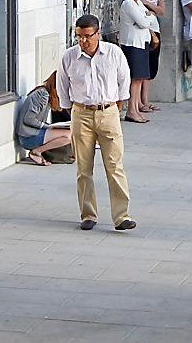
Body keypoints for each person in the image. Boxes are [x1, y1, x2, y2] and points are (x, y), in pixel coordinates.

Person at [56, 14, 136, 232]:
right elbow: (62, 84)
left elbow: (124, 80)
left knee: (115, 165)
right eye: (79, 36)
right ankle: (88, 214)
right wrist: (69, 109)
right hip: (81, 113)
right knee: (83, 168)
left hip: (108, 111)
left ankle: (122, 216)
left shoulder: (113, 53)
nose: (83, 41)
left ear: (97, 34)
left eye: (87, 36)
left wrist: (117, 106)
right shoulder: (69, 57)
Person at [120, 0, 160, 122]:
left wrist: (148, 16)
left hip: (142, 43)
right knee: (135, 79)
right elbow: (144, 22)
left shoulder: (138, 4)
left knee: (140, 78)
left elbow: (152, 17)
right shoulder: (128, 3)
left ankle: (135, 108)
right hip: (133, 45)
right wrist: (148, 17)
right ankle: (131, 110)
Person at [15, 72, 73, 165]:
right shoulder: (42, 94)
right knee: (68, 136)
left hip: (34, 133)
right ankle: (36, 152)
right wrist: (47, 126)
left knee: (70, 134)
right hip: (28, 137)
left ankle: (40, 152)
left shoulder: (48, 95)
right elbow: (28, 119)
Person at [135, 0, 165, 112]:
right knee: (143, 67)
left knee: (152, 67)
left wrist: (146, 2)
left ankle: (146, 100)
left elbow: (161, 11)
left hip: (155, 31)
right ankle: (140, 102)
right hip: (142, 32)